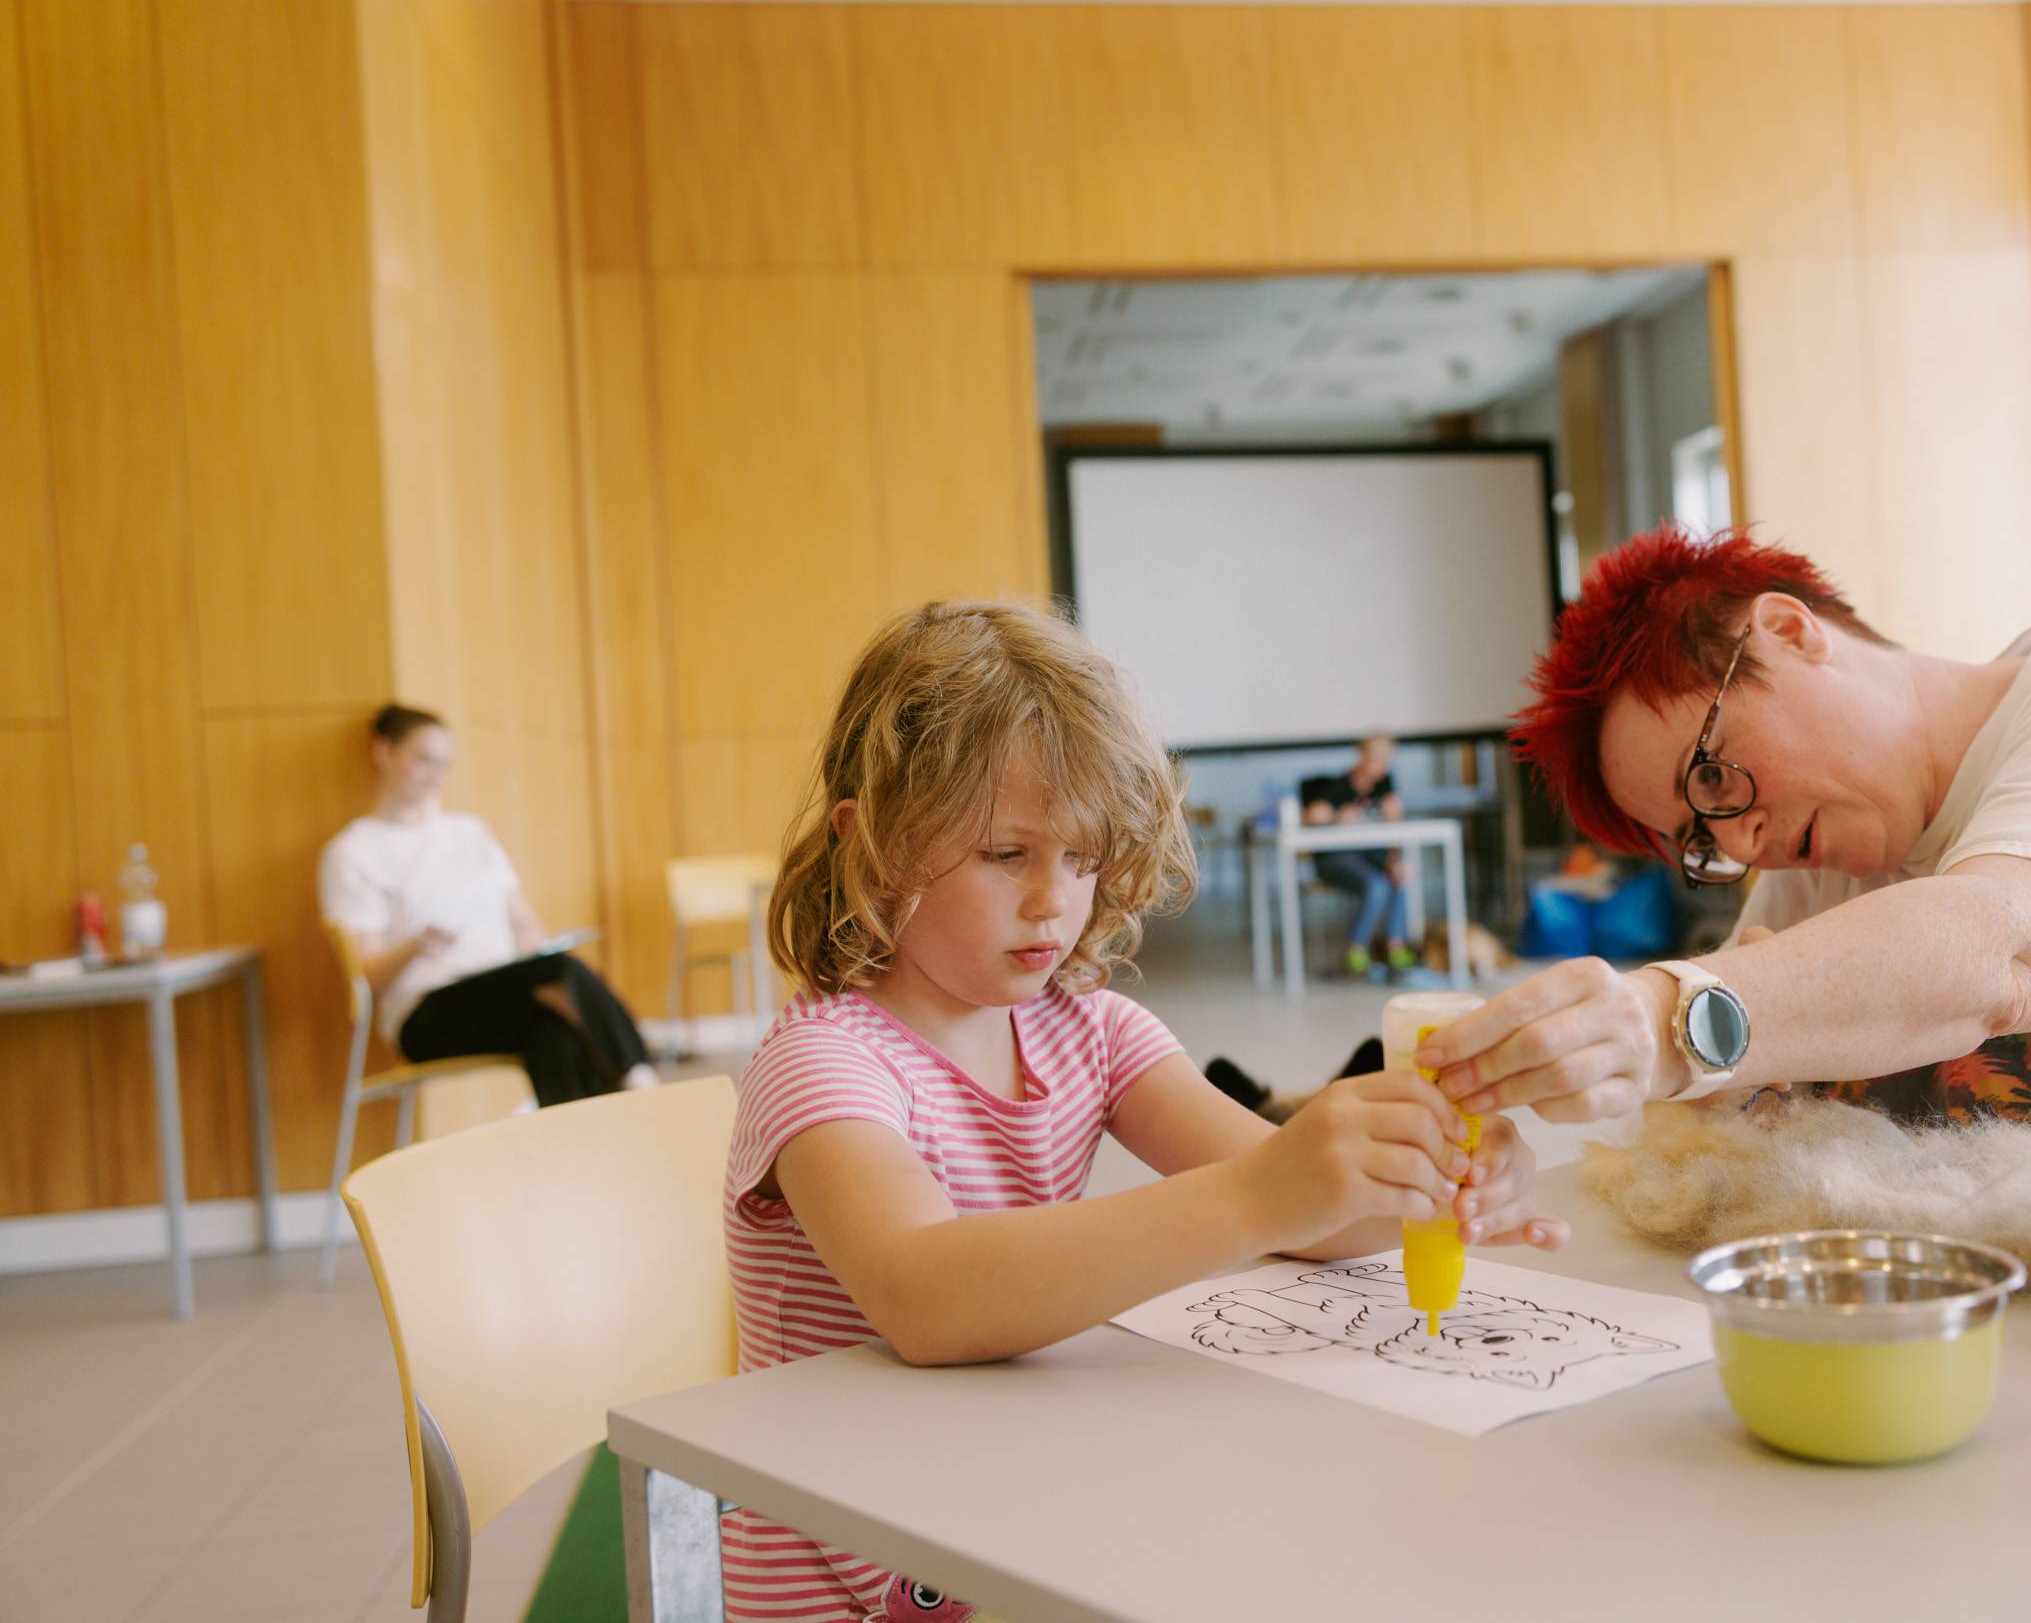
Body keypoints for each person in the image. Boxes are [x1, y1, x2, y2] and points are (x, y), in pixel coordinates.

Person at [727, 601, 1562, 1622]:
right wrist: (1258, 1194)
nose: (1055, 899)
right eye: (1006, 853)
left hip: (999, 1515)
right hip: (843, 1578)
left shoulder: (1091, 1029)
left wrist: (1437, 1181)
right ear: (873, 845)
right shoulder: (824, 1061)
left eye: (1082, 858)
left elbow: (1316, 1214)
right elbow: (926, 1295)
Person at [1411, 526, 2031, 1137]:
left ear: (1790, 632)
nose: (1740, 842)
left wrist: (1668, 1020)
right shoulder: (1827, 845)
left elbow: (2006, 954)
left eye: (1711, 774)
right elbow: (1748, 1083)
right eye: (1701, 835)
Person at [318, 705, 658, 1108]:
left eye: (444, 764)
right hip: (424, 1013)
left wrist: (540, 955)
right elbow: (366, 975)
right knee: (559, 971)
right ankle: (643, 1084)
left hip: (503, 991)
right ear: (384, 752)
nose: (436, 775)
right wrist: (416, 946)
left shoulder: (470, 833)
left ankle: (591, 1138)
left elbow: (523, 921)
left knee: (552, 1031)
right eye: (423, 759)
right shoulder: (354, 851)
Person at [1300, 733, 1416, 974]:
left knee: (1398, 878)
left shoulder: (1385, 785)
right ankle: (1357, 949)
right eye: (1377, 757)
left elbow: (1392, 833)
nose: (1382, 764)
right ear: (1361, 755)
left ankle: (1395, 946)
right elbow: (1311, 816)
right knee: (1377, 885)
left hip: (1369, 858)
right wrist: (1336, 816)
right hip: (1336, 860)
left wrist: (1394, 860)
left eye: (1386, 758)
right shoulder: (1336, 786)